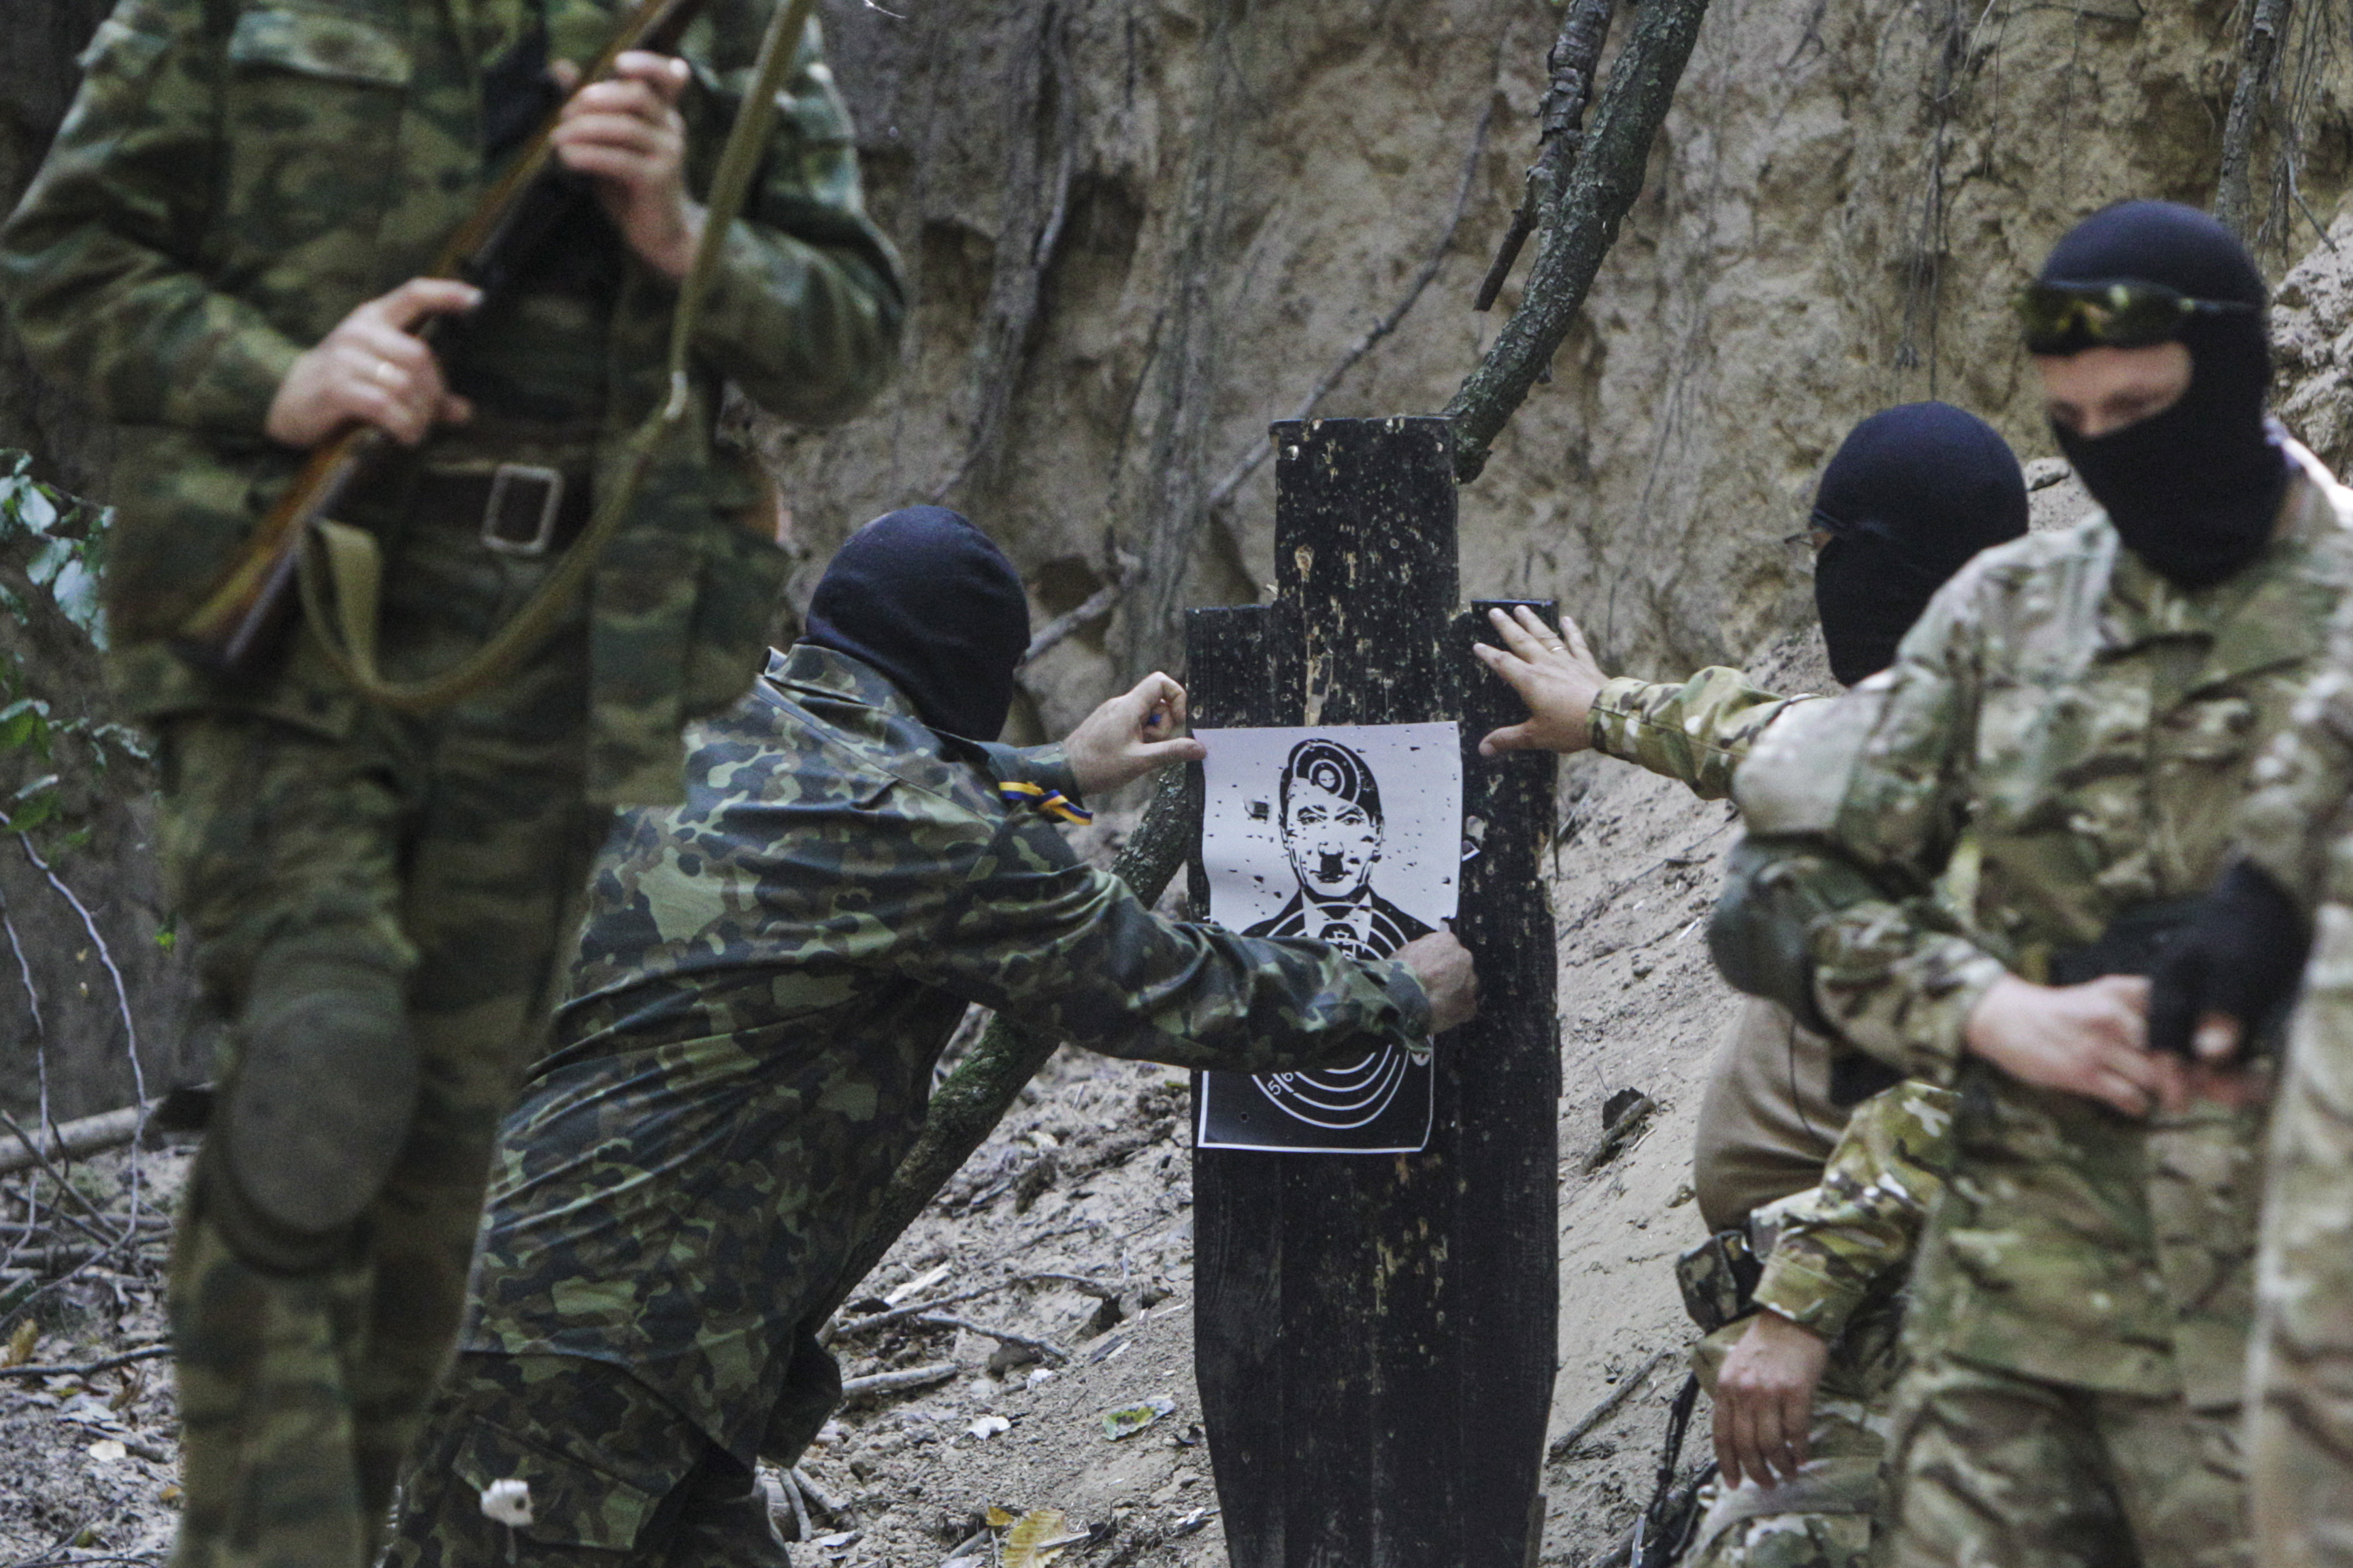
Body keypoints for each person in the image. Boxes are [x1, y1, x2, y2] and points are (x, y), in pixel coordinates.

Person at [0, 3, 904, 1564]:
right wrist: (283, 373)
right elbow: (67, 261)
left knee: (430, 1175)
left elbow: (851, 336)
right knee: (328, 1051)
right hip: (298, 610)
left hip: (559, 648)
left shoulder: (718, 29)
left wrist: (685, 233)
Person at [383, 507, 1479, 1567]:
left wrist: (1056, 771)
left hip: (555, 1317)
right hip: (592, 1359)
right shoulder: (917, 825)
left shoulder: (709, 715)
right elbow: (1150, 981)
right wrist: (1387, 990)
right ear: (968, 680)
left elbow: (851, 796)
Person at [1712, 199, 2353, 1568]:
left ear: (2237, 379)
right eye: (2075, 422)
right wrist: (1989, 1005)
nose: (2114, 457)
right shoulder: (2016, 624)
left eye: (2144, 407)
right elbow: (1770, 891)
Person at [1474, 402, 2026, 1567]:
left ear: (1892, 566)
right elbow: (1765, 736)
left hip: (1890, 1334)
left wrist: (1794, 1308)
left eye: (1834, 557)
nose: (1823, 584)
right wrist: (1605, 709)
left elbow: (1945, 1084)